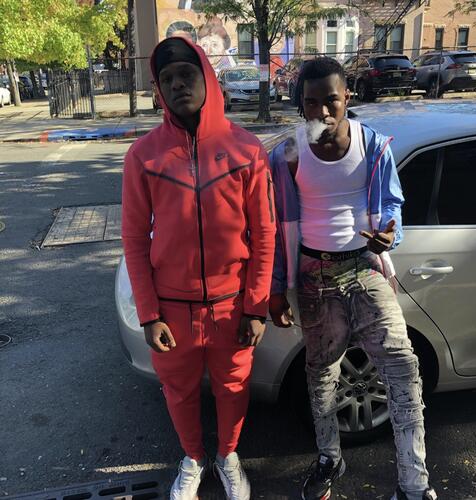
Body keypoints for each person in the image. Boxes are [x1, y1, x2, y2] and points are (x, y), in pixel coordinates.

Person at [268, 57, 437, 500]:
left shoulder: (374, 146)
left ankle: (414, 485)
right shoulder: (288, 155)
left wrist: (390, 234)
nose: (322, 112)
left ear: (347, 97)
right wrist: (276, 289)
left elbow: (392, 206)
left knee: (403, 369)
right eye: (311, 103)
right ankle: (329, 457)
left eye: (331, 101)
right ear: (301, 104)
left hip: (364, 267)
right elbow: (277, 226)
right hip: (314, 276)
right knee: (321, 374)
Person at [121, 37, 275, 500]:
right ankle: (192, 457)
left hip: (232, 305)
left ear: (207, 77)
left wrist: (257, 307)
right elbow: (134, 240)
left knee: (234, 389)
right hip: (172, 309)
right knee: (178, 391)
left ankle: (227, 456)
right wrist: (149, 314)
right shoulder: (143, 156)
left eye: (186, 74)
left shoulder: (246, 149)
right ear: (158, 90)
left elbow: (265, 233)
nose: (177, 84)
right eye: (167, 78)